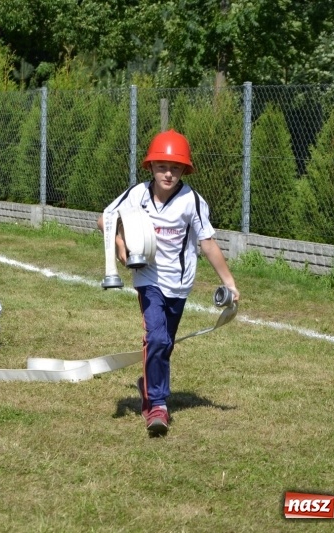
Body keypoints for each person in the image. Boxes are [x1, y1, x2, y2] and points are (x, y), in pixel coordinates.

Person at [96, 129, 240, 437]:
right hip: (148, 279)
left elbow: (208, 243)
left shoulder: (192, 202)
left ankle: (148, 383)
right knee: (157, 339)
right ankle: (158, 406)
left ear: (184, 170)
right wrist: (119, 242)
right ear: (151, 167)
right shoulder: (137, 194)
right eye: (162, 166)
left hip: (180, 284)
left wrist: (229, 282)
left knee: (165, 344)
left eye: (175, 168)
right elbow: (105, 219)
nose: (168, 173)